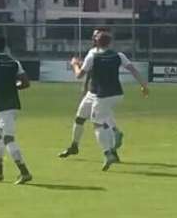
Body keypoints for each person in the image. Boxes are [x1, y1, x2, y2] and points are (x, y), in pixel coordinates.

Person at [70, 30, 149, 171]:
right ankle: (110, 136)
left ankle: (109, 153)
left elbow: (79, 75)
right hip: (115, 94)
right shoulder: (119, 55)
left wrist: (75, 64)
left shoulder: (92, 56)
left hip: (102, 96)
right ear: (110, 42)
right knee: (88, 117)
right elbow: (133, 70)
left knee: (98, 124)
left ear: (96, 42)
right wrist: (143, 85)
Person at [59, 28, 122, 158]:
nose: (94, 38)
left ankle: (111, 149)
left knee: (101, 123)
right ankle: (74, 146)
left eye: (96, 36)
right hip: (93, 92)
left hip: (101, 94)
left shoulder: (97, 54)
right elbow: (89, 72)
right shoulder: (93, 53)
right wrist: (85, 86)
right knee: (80, 118)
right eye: (94, 36)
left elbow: (82, 73)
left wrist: (75, 64)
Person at [0, 34, 33, 185]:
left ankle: (25, 172)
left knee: (8, 138)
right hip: (12, 104)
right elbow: (26, 83)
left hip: (4, 106)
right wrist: (13, 86)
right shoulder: (14, 62)